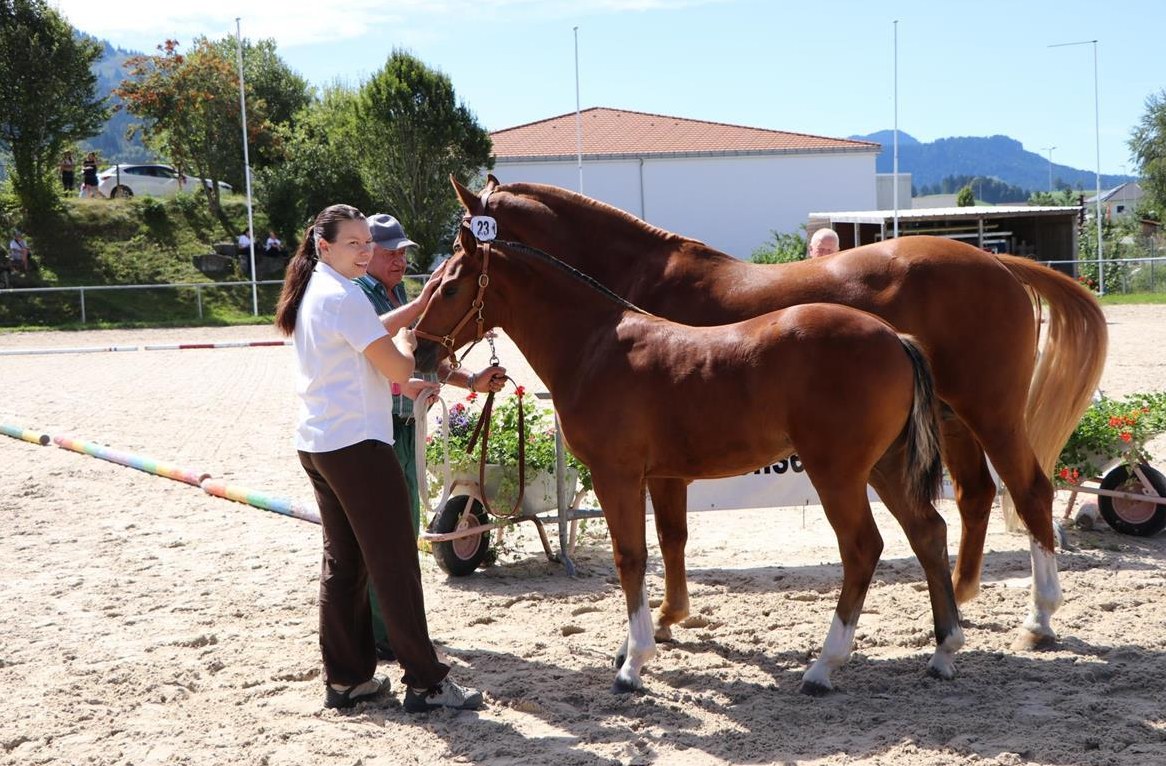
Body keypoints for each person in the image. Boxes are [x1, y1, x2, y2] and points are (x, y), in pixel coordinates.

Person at [274, 203, 483, 713]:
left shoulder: (316, 287)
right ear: (325, 246)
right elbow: (394, 358)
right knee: (394, 566)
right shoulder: (343, 295)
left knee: (345, 563)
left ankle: (346, 679)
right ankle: (426, 682)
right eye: (354, 243)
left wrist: (411, 314)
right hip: (358, 446)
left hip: (320, 442)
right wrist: (411, 341)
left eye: (368, 242)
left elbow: (360, 346)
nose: (365, 251)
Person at [356, 213, 506, 660]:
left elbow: (424, 356)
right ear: (367, 254)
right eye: (391, 253)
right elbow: (367, 351)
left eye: (403, 253)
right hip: (376, 428)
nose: (400, 260)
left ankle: (393, 629)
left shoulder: (396, 293)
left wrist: (471, 380)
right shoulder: (361, 296)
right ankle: (383, 634)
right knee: (384, 535)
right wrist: (405, 382)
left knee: (399, 532)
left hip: (403, 427)